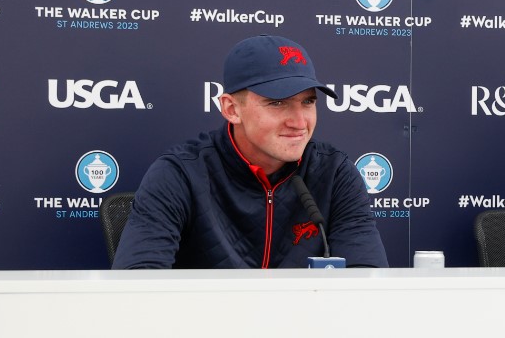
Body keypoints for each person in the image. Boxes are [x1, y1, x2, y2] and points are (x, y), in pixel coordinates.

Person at [113, 35, 387, 268]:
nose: (299, 122)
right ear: (232, 109)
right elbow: (137, 286)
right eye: (278, 102)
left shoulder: (334, 172)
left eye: (308, 102)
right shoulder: (180, 174)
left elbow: (367, 283)